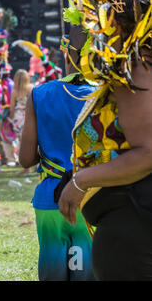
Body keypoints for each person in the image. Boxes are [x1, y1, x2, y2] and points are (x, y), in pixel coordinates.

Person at [52, 0, 152, 280]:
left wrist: (81, 181)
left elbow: (148, 153)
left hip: (133, 221)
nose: (87, 24)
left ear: (115, 20)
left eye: (92, 15)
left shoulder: (137, 68)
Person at [19, 24, 96, 281]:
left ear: (65, 51)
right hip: (92, 198)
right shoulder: (107, 93)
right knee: (88, 270)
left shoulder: (39, 93)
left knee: (52, 269)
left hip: (50, 198)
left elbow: (25, 159)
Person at [10, 69, 33, 172]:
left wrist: (12, 118)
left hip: (18, 118)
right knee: (34, 141)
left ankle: (26, 167)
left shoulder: (14, 92)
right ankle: (37, 165)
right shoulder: (31, 88)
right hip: (29, 116)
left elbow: (11, 108)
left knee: (21, 142)